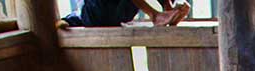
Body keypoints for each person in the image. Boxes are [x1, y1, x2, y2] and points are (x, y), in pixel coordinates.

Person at [59, 0, 190, 28]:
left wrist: (170, 8)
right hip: (96, 12)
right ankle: (155, 16)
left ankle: (166, 11)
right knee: (81, 16)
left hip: (119, 12)